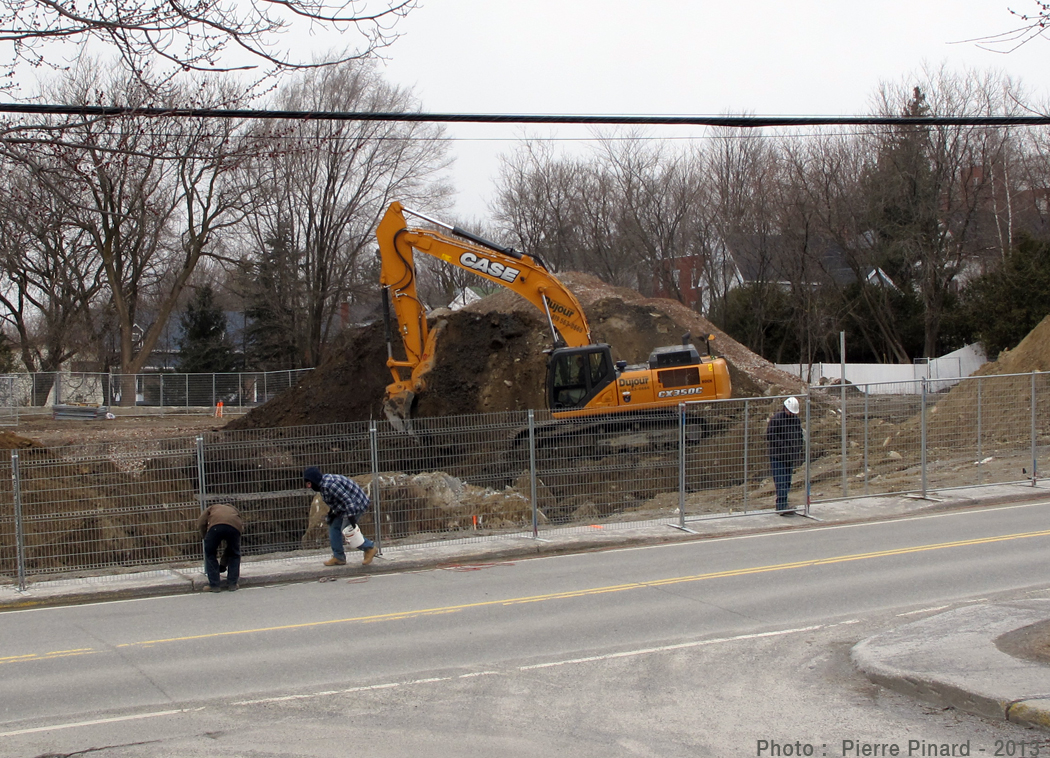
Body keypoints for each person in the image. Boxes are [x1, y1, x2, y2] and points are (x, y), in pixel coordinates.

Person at [304, 466, 378, 566]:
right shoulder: (323, 485)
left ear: (314, 480)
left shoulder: (330, 485)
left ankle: (369, 548)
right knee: (334, 526)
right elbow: (336, 500)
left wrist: (351, 520)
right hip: (345, 506)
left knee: (348, 531)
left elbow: (348, 501)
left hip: (357, 504)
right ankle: (338, 557)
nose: (308, 486)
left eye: (309, 483)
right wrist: (332, 513)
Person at [766, 396, 805, 515]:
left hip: (789, 456)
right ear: (785, 408)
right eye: (790, 412)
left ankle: (784, 504)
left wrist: (797, 448)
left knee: (787, 480)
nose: (791, 414)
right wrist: (784, 447)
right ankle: (781, 506)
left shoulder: (795, 420)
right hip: (778, 456)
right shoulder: (777, 420)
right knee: (780, 480)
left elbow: (799, 435)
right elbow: (771, 436)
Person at [198, 502, 243, 591]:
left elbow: (201, 522)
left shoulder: (211, 508)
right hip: (234, 528)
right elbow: (240, 525)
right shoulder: (234, 510)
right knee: (234, 554)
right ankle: (232, 584)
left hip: (215, 527)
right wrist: (223, 563)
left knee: (210, 553)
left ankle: (214, 585)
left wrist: (205, 537)